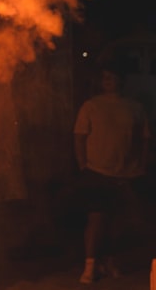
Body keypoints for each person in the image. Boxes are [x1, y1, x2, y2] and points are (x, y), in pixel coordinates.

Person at [73, 64, 151, 284]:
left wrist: (141, 165)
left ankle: (109, 261)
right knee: (96, 218)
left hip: (127, 173)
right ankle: (90, 266)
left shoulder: (134, 107)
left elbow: (144, 139)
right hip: (98, 170)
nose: (109, 81)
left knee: (119, 220)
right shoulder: (91, 106)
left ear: (121, 81)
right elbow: (79, 136)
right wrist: (82, 165)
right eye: (105, 78)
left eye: (113, 78)